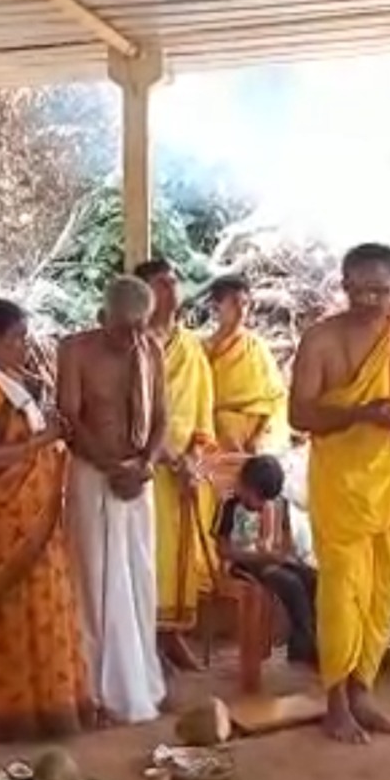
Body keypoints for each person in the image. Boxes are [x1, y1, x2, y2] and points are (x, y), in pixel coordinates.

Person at [289, 242, 390, 743]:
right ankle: (335, 700)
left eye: (382, 290)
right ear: (344, 285)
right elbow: (299, 414)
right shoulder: (321, 340)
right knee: (341, 592)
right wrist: (361, 413)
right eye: (360, 290)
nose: (371, 301)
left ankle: (362, 692)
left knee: (383, 589)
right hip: (344, 484)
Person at [0, 298, 94, 740]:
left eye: (24, 338)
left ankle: (47, 708)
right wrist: (44, 440)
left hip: (32, 517)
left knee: (44, 606)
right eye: (15, 338)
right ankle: (0, 715)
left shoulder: (9, 383)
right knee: (3, 614)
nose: (23, 347)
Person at [59, 275, 168, 724]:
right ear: (102, 317)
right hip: (93, 476)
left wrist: (145, 465)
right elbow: (70, 419)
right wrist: (112, 467)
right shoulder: (75, 351)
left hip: (138, 479)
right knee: (95, 581)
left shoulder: (152, 350)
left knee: (140, 580)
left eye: (142, 327)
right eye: (125, 328)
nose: (133, 338)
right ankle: (95, 692)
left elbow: (161, 418)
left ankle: (140, 683)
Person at [135, 258, 217, 671]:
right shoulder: (135, 345)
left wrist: (194, 457)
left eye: (173, 282)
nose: (170, 291)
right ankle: (147, 636)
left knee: (180, 554)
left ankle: (172, 634)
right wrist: (168, 456)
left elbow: (204, 408)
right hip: (149, 465)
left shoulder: (191, 347)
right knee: (150, 552)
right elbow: (135, 413)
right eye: (160, 284)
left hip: (186, 469)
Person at [212, 455, 318, 666]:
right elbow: (223, 551)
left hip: (268, 560)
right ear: (244, 484)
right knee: (291, 584)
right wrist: (261, 557)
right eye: (258, 498)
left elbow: (283, 540)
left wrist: (280, 553)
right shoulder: (230, 504)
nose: (261, 505)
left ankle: (308, 641)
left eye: (266, 500)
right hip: (240, 564)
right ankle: (305, 647)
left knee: (312, 578)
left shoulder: (275, 502)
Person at [206, 274, 291, 455]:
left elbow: (275, 397)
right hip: (212, 434)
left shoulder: (256, 346)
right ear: (215, 306)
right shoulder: (201, 350)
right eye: (234, 303)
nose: (241, 310)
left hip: (254, 434)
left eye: (245, 304)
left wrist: (258, 437)